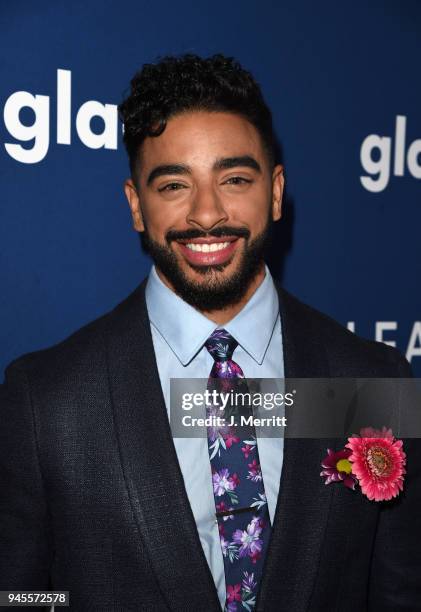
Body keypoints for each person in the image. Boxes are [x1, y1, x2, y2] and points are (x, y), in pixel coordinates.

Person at [0, 54, 420, 612]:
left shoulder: (372, 381)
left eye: (234, 179)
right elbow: (20, 596)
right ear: (136, 206)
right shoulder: (44, 400)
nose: (206, 213)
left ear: (274, 192)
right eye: (174, 184)